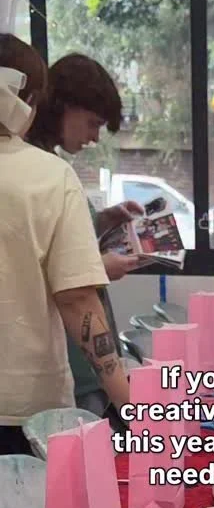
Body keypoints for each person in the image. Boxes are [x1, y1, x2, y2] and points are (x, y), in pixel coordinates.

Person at [0, 35, 130, 454]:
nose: (93, 136)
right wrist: (133, 408)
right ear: (33, 101)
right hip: (24, 408)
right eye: (93, 122)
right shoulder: (48, 178)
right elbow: (77, 299)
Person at [28, 53, 143, 422]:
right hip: (70, 362)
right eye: (93, 123)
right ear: (62, 105)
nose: (94, 137)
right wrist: (100, 268)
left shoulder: (51, 166)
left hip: (85, 361)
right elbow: (53, 278)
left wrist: (104, 219)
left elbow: (59, 242)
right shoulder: (42, 173)